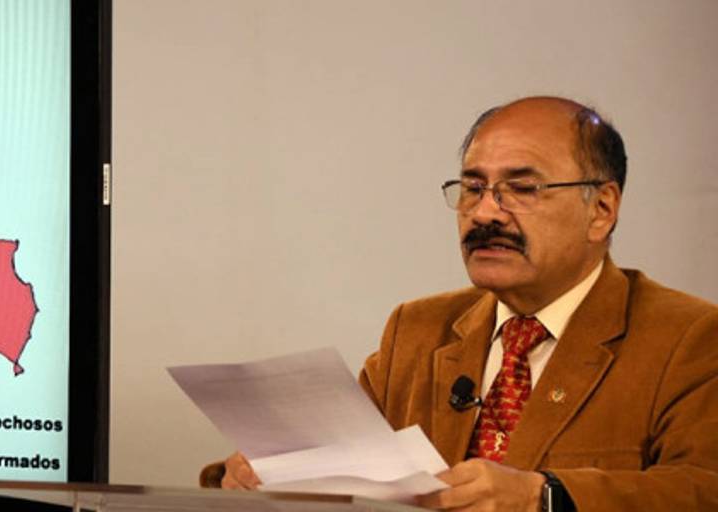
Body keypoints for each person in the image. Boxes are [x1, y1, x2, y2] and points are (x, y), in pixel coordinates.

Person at [202, 97, 718, 511]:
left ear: (601, 209)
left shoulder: (689, 338)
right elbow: (344, 473)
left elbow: (703, 488)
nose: (485, 213)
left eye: (522, 188)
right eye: (473, 187)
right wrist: (263, 475)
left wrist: (544, 497)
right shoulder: (417, 329)